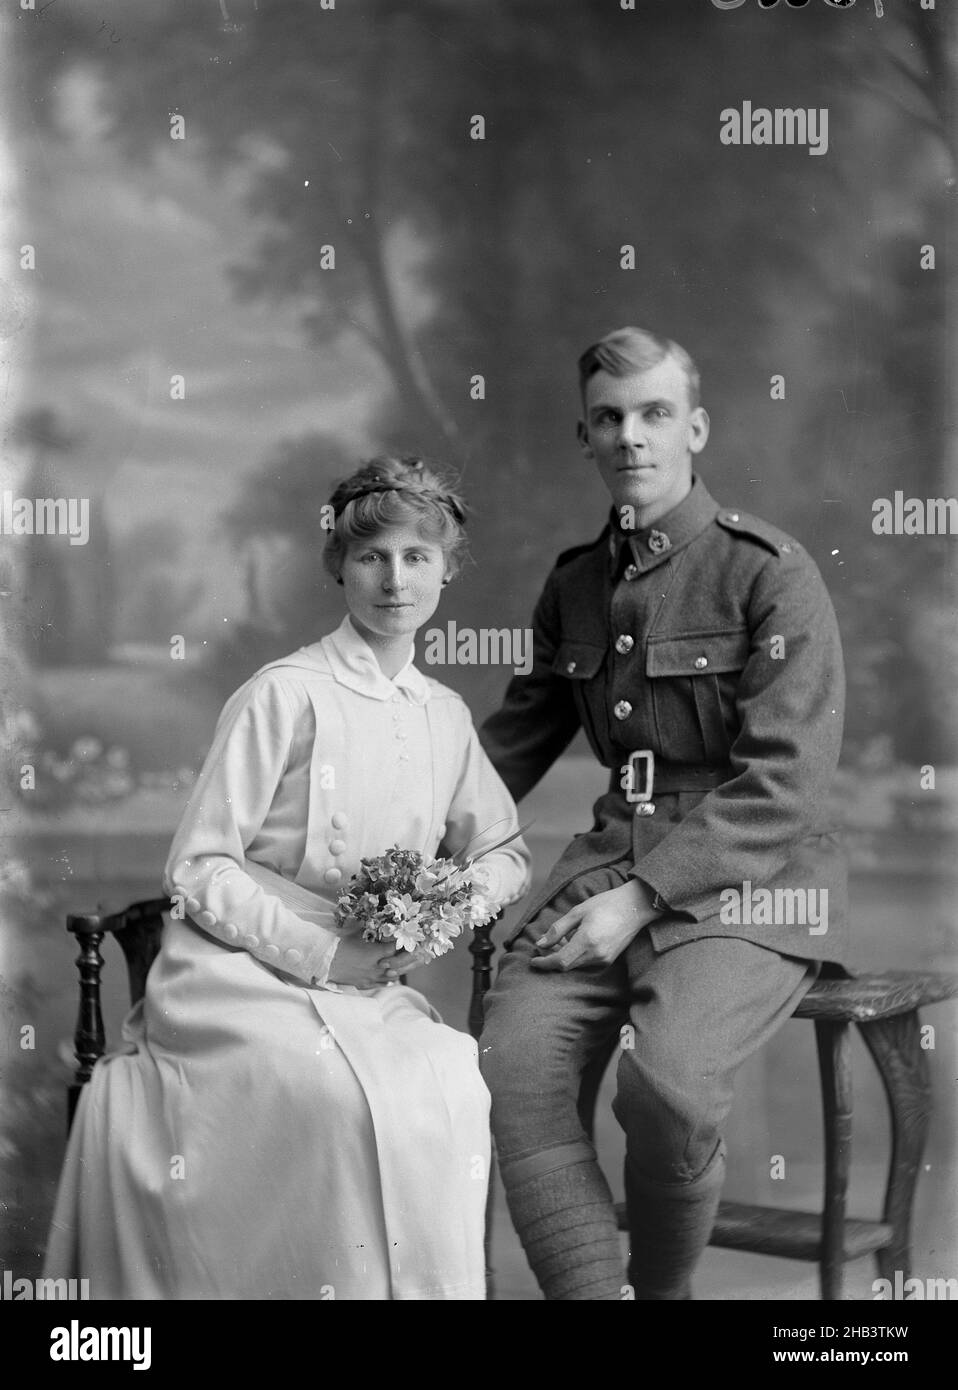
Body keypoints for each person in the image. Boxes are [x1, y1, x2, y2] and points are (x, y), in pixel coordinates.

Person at [44, 456, 531, 1301]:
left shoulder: (441, 715)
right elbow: (198, 866)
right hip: (236, 973)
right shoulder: (284, 694)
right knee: (323, 1092)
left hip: (366, 982)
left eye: (418, 557)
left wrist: (448, 909)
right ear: (338, 564)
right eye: (372, 556)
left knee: (449, 1078)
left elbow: (505, 851)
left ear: (447, 571)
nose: (394, 578)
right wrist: (318, 952)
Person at [478, 326, 847, 1301]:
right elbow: (503, 751)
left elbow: (785, 785)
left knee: (667, 1088)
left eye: (651, 414)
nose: (629, 436)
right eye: (608, 417)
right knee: (514, 1075)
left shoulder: (769, 572)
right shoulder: (574, 585)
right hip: (606, 864)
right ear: (585, 436)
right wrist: (391, 833)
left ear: (695, 427)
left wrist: (639, 900)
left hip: (755, 883)